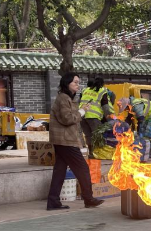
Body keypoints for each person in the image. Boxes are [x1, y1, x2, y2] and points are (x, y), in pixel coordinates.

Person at [47, 72, 104, 210]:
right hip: (65, 140)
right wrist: (82, 112)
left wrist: (80, 110)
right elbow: (67, 119)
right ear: (67, 84)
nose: (78, 85)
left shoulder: (66, 98)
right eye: (75, 82)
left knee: (59, 170)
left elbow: (69, 117)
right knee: (83, 169)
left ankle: (53, 201)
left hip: (63, 140)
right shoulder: (63, 99)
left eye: (78, 82)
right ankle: (88, 199)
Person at [79, 77, 113, 157]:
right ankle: (98, 154)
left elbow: (79, 102)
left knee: (88, 135)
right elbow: (105, 107)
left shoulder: (85, 90)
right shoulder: (102, 91)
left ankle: (91, 153)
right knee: (97, 136)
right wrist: (109, 119)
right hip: (93, 117)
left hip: (82, 116)